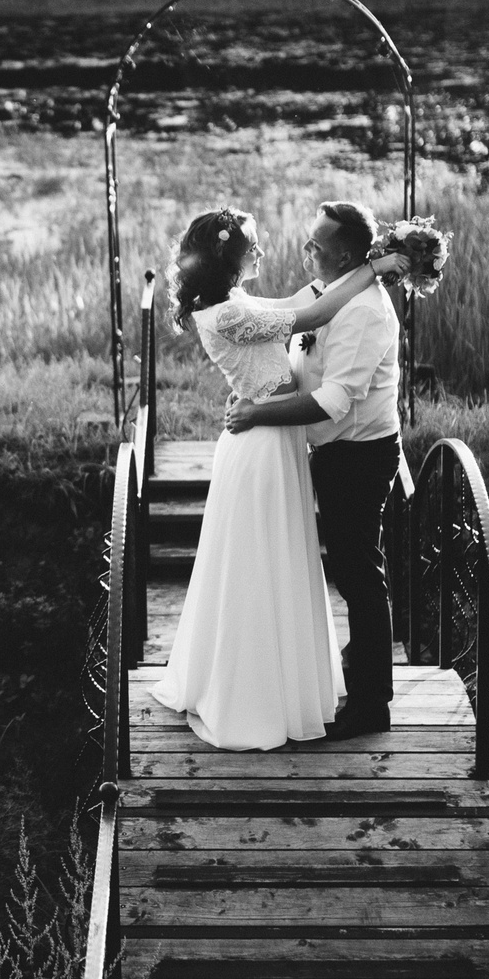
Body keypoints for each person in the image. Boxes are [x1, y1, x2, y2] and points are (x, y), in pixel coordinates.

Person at [150, 208, 406, 751]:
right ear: (229, 257)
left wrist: (374, 268)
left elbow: (305, 310)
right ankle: (256, 692)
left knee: (305, 562)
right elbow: (309, 316)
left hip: (299, 443)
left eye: (315, 246)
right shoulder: (229, 314)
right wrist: (375, 267)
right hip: (265, 447)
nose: (269, 253)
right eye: (255, 247)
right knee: (262, 562)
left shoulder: (236, 304)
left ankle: (345, 693)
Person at [226, 199, 404, 736]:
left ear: (345, 253)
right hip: (331, 452)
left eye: (316, 245)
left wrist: (259, 414)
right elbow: (287, 312)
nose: (306, 251)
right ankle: (354, 668)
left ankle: (372, 703)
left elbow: (334, 401)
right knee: (350, 567)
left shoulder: (367, 312)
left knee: (358, 573)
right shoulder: (330, 291)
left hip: (359, 455)